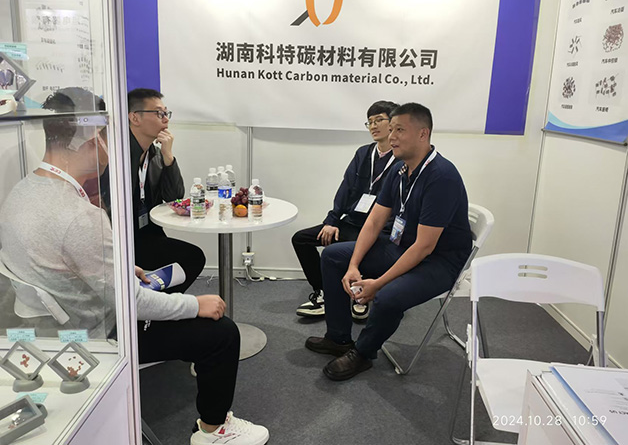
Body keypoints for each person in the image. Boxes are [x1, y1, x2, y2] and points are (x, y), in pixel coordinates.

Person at [0, 88, 269, 445]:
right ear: (93, 139)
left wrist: (124, 270)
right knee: (222, 334)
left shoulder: (22, 191)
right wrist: (194, 304)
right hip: (98, 333)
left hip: (54, 324)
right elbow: (131, 302)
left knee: (182, 264)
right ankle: (213, 430)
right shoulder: (79, 216)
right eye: (107, 134)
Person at [305, 102, 472, 381]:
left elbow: (425, 246)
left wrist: (378, 283)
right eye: (391, 129)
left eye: (399, 130)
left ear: (423, 134)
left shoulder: (441, 177)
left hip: (439, 261)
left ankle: (363, 353)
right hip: (403, 246)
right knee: (334, 257)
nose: (391, 136)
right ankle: (338, 338)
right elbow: (373, 222)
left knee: (387, 297)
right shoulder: (399, 171)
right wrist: (353, 265)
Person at [292, 100, 400, 320]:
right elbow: (346, 188)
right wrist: (332, 221)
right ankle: (323, 292)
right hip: (352, 221)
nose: (373, 126)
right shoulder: (363, 153)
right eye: (370, 122)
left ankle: (361, 296)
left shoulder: (401, 159)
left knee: (360, 247)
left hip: (379, 227)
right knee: (301, 239)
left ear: (393, 123)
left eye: (379, 120)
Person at [127, 88, 205, 294]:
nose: (166, 119)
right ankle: (153, 305)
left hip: (147, 233)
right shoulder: (118, 156)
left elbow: (174, 197)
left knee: (191, 257)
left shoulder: (153, 153)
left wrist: (168, 156)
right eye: (158, 113)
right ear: (135, 117)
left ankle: (155, 304)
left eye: (166, 113)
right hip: (122, 239)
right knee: (191, 257)